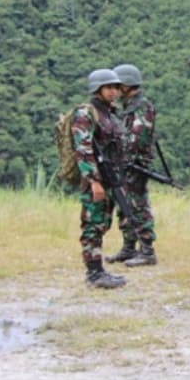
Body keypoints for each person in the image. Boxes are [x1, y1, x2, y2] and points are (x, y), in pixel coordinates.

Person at [74, 69, 128, 289]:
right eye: (109, 88)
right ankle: (94, 274)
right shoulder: (87, 113)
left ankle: (98, 270)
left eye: (116, 88)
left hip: (110, 177)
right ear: (98, 89)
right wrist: (93, 180)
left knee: (103, 223)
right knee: (93, 225)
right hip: (95, 179)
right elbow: (83, 148)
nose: (114, 92)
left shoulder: (110, 113)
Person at [104, 63, 159, 267]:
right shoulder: (128, 107)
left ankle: (147, 250)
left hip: (134, 164)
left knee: (138, 205)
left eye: (118, 86)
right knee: (124, 205)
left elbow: (137, 138)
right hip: (124, 164)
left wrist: (120, 152)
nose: (115, 90)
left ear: (126, 85)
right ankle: (129, 247)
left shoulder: (142, 106)